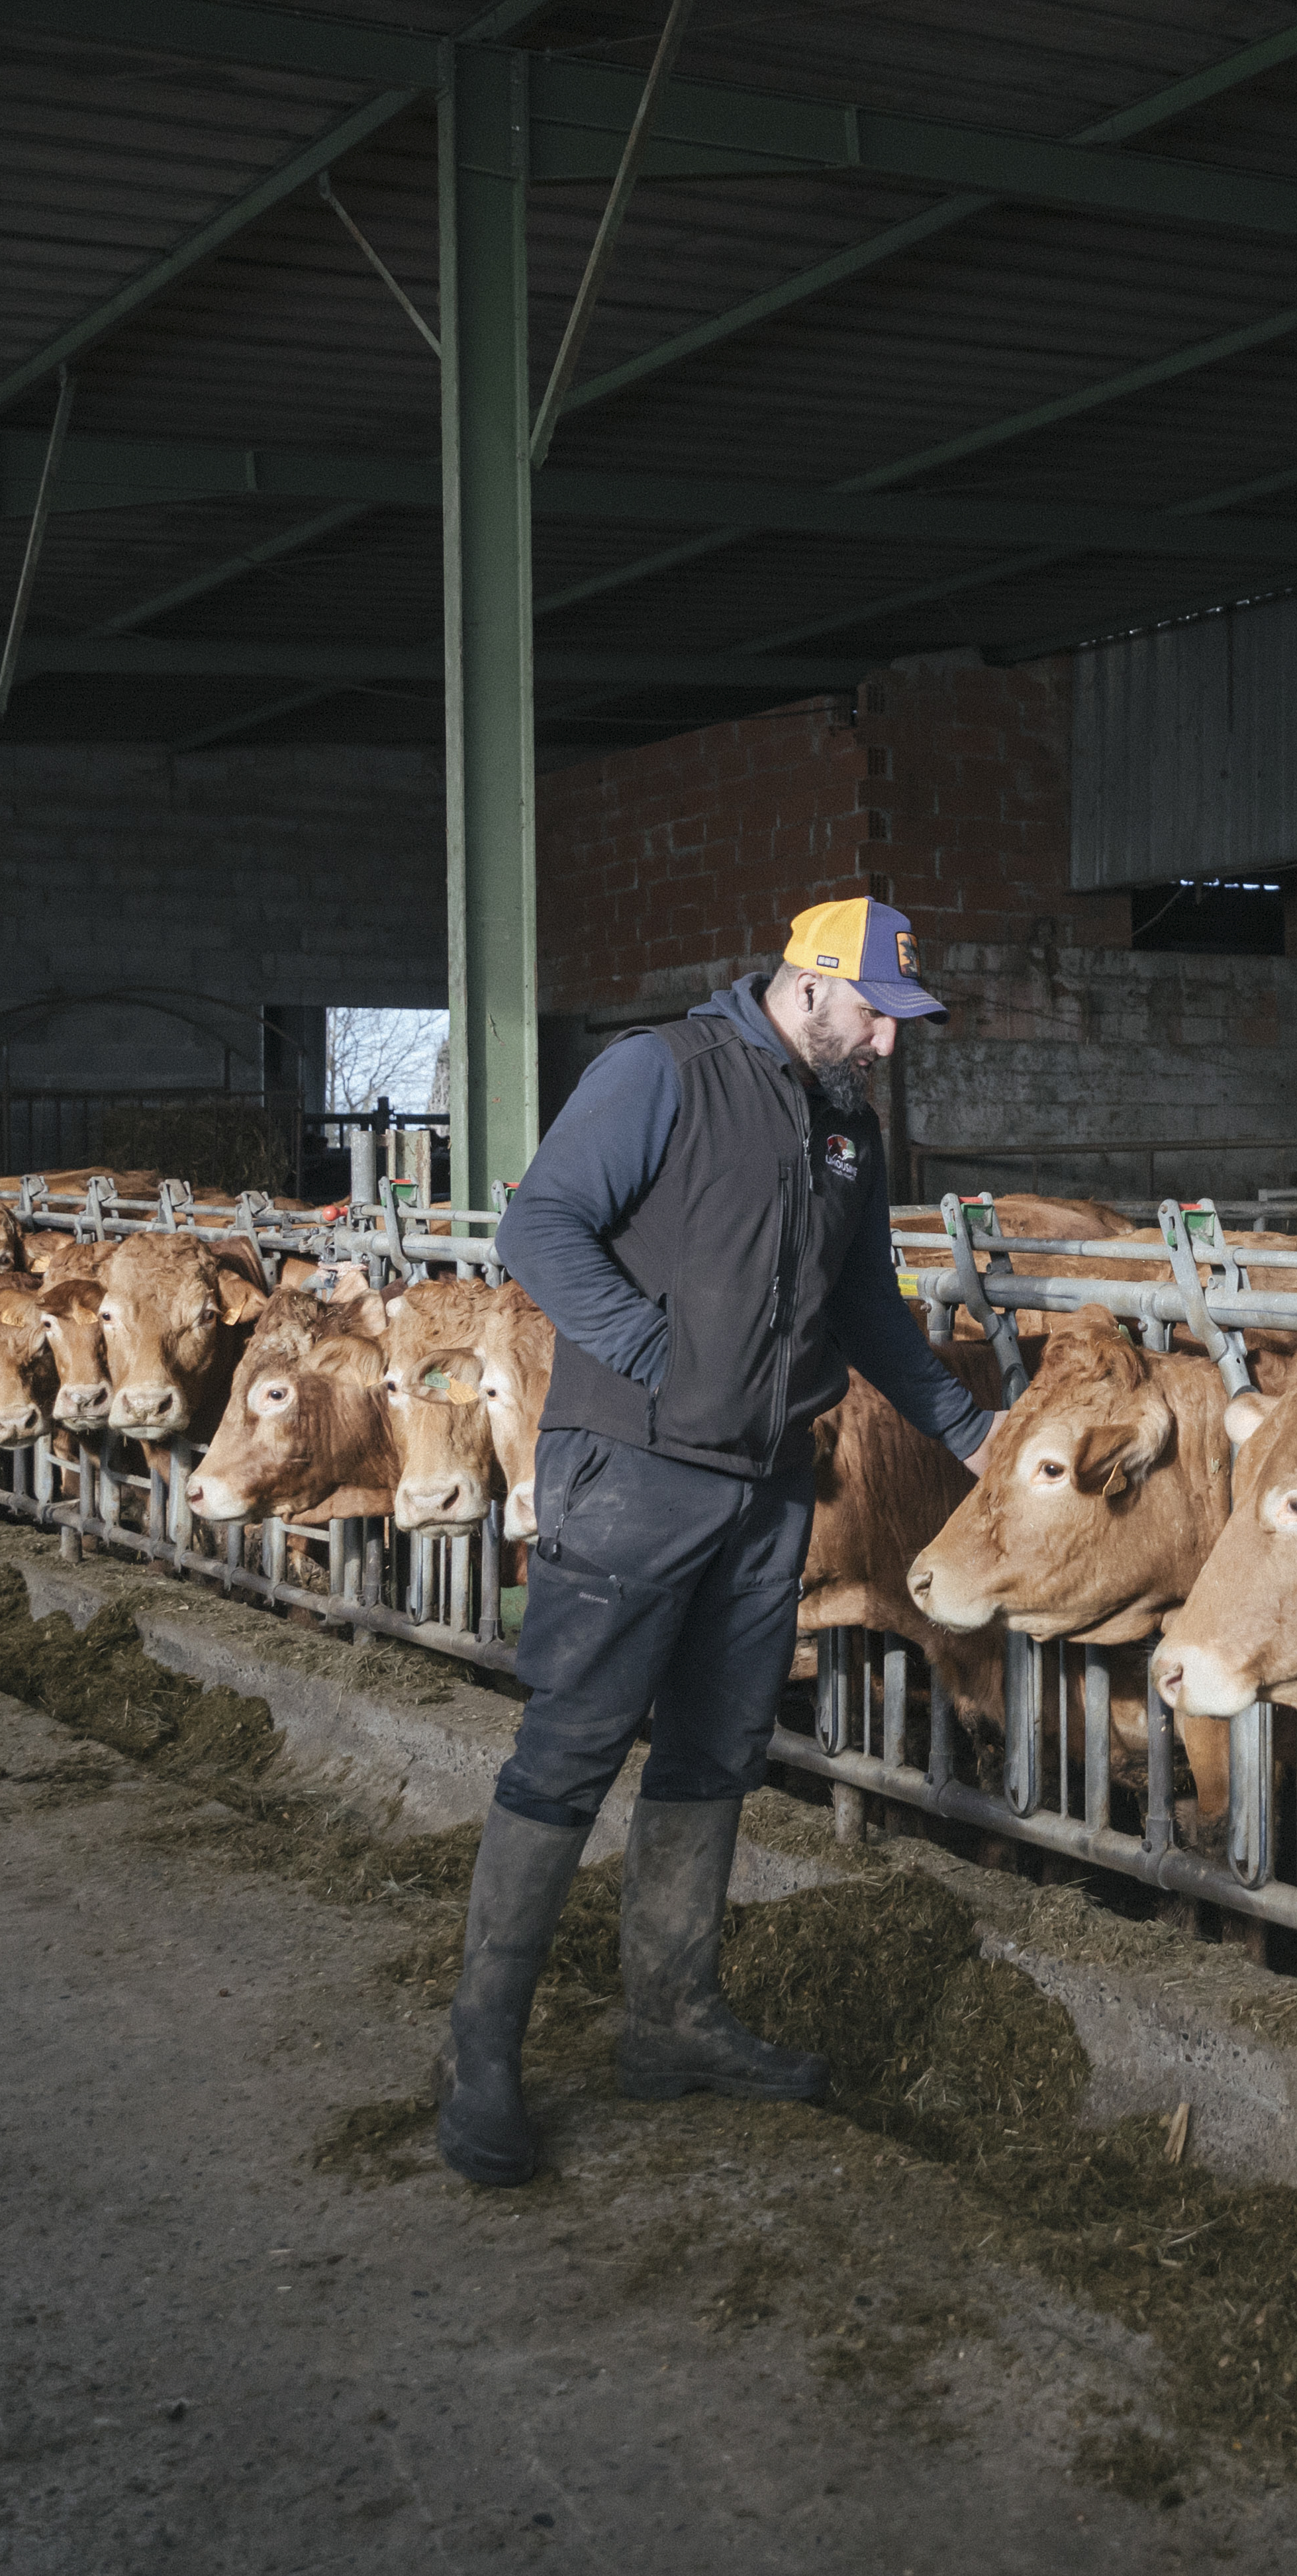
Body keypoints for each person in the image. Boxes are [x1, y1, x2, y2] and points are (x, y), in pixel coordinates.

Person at [438, 896, 994, 2186]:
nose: (890, 1044)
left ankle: (670, 2017)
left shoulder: (847, 1123)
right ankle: (480, 2059)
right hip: (631, 1471)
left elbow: (866, 1301)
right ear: (809, 984)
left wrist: (968, 1424)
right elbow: (540, 1228)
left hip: (764, 1484)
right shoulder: (661, 1072)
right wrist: (652, 1358)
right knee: (571, 1746)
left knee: (716, 1748)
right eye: (878, 1014)